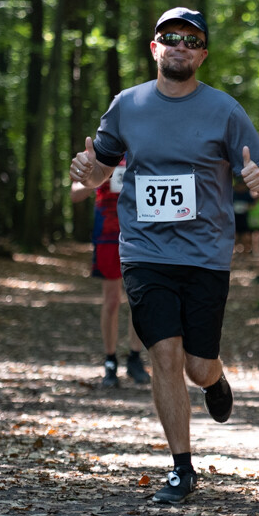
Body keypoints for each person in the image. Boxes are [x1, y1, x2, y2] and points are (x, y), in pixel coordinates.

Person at [68, 7, 259, 505]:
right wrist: (86, 170)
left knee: (196, 367)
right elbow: (100, 171)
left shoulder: (225, 110)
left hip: (206, 255)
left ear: (203, 54)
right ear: (154, 47)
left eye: (192, 40)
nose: (180, 45)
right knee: (163, 353)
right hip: (144, 251)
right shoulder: (128, 105)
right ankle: (182, 468)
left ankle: (216, 378)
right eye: (171, 37)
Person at [70, 160, 151, 388]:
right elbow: (75, 194)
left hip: (140, 229)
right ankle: (110, 360)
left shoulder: (143, 147)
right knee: (112, 300)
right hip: (108, 230)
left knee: (140, 298)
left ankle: (135, 358)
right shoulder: (98, 152)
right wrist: (97, 176)